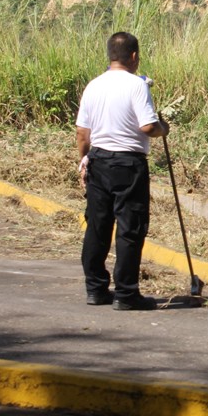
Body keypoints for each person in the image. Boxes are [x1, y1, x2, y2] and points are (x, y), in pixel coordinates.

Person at [76, 32, 169, 311]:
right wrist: (165, 128)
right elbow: (149, 127)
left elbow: (82, 133)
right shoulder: (137, 86)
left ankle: (95, 289)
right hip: (128, 164)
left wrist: (84, 161)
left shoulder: (93, 85)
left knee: (97, 226)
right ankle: (127, 294)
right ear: (133, 56)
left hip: (99, 160)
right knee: (130, 228)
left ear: (110, 56)